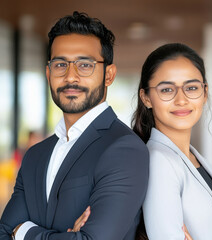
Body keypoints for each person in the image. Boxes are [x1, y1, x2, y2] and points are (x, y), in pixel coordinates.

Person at [0, 11, 149, 240]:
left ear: (108, 75)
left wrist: (23, 232)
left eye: (85, 65)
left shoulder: (124, 149)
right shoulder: (35, 156)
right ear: (49, 73)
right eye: (60, 64)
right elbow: (3, 231)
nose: (71, 77)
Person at [132, 43, 212, 240]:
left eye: (191, 88)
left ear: (205, 93)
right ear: (146, 97)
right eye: (166, 90)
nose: (181, 100)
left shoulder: (192, 157)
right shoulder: (159, 160)